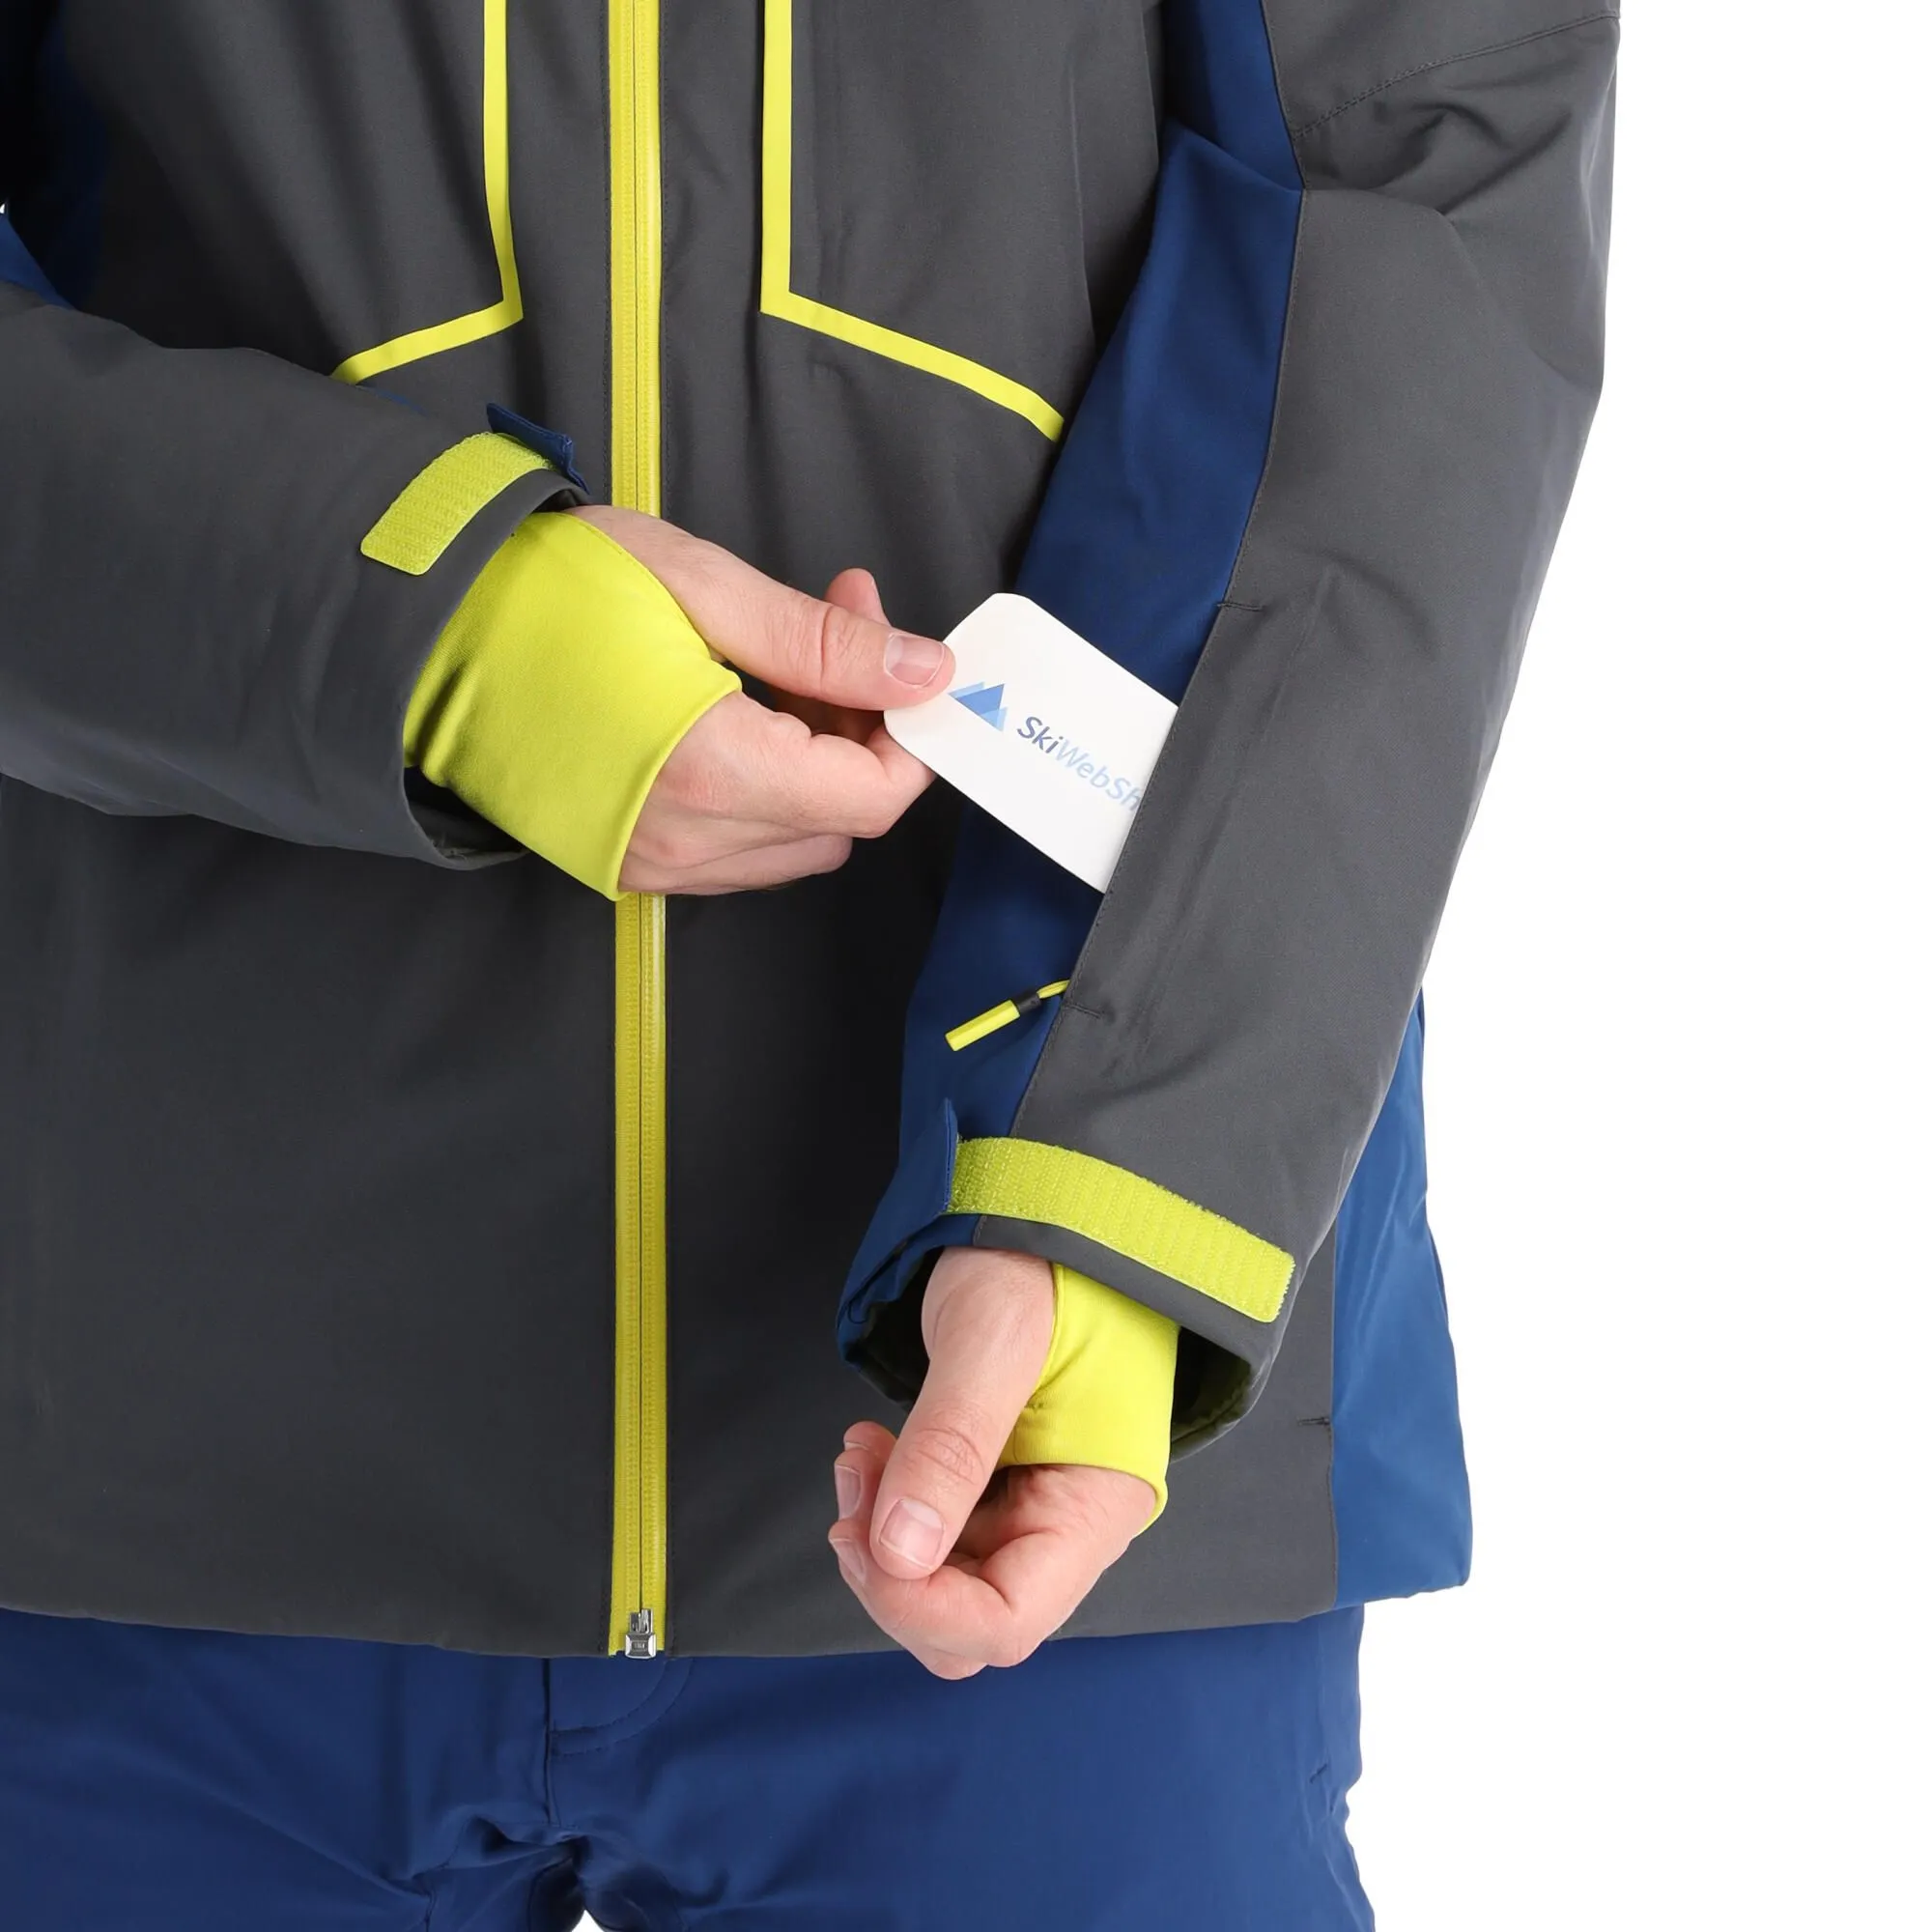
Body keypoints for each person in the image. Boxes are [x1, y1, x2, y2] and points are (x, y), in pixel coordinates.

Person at [0, 2, 1616, 1925]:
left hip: (1048, 1432)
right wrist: (406, 621)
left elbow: (1416, 205)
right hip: (127, 1420)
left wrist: (1132, 1157)